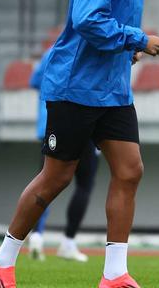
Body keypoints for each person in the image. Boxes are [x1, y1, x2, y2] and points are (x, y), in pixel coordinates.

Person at [0, 0, 159, 288]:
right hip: (75, 88)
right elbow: (87, 19)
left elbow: (103, 27)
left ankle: (115, 274)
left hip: (111, 89)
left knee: (130, 170)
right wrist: (137, 39)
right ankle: (1, 260)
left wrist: (126, 50)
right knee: (56, 178)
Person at [26, 47, 99, 263]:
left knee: (45, 181)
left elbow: (34, 81)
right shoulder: (92, 47)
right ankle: (68, 241)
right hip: (83, 124)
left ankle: (37, 236)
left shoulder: (52, 51)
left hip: (49, 124)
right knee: (84, 183)